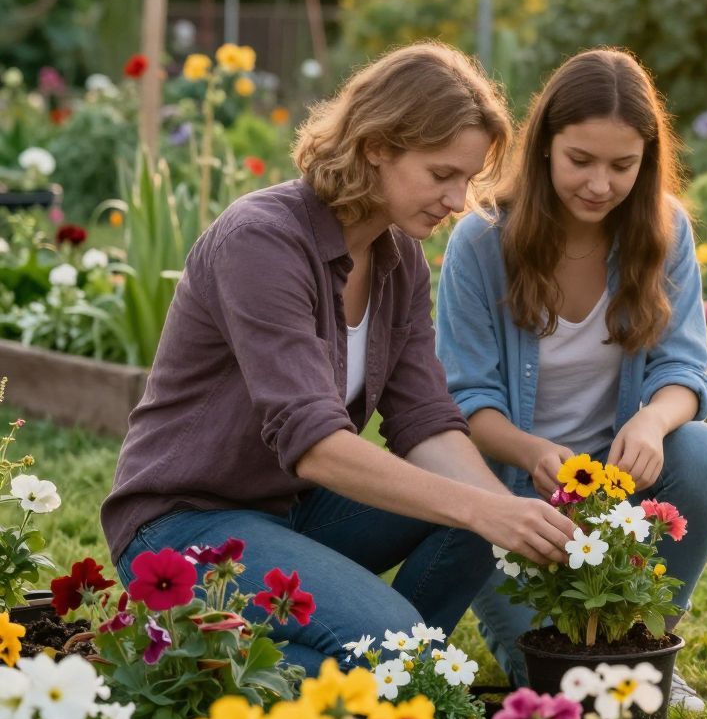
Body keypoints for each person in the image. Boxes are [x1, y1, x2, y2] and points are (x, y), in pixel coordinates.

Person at [101, 44, 577, 673]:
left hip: (295, 511)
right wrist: (484, 508)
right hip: (186, 525)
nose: (458, 200)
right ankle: (344, 664)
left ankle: (401, 670)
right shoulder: (262, 241)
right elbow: (316, 446)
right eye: (441, 174)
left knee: (484, 486)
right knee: (453, 544)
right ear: (377, 146)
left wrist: (504, 514)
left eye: (467, 179)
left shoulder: (398, 262)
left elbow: (425, 420)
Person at [435, 46, 707, 689]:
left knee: (703, 454)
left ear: (646, 160)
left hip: (616, 491)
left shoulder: (663, 231)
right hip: (511, 495)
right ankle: (593, 663)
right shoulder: (482, 241)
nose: (600, 184)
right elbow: (465, 399)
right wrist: (532, 451)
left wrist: (652, 422)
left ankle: (649, 653)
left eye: (622, 165)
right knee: (555, 677)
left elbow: (685, 369)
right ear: (545, 145)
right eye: (581, 160)